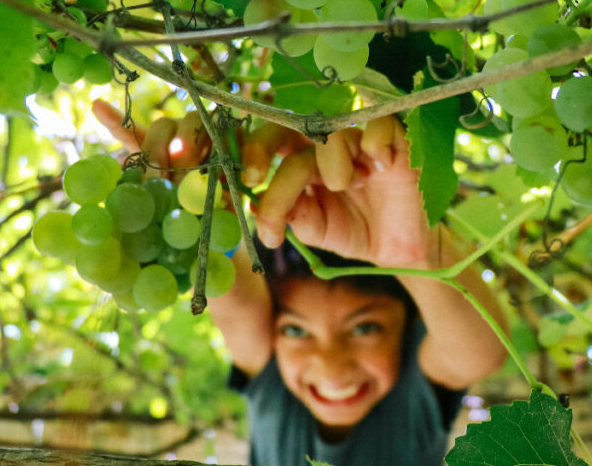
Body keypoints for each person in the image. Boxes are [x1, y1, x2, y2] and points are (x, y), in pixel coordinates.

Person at [94, 102, 509, 466]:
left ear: (409, 329)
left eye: (366, 327)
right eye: (294, 330)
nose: (331, 367)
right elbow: (232, 297)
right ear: (271, 332)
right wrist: (189, 207)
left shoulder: (411, 392)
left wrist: (414, 256)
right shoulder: (270, 376)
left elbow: (480, 353)